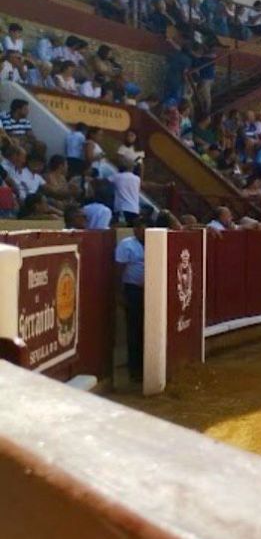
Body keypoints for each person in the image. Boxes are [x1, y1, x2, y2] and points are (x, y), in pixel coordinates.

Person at [114, 216, 146, 383]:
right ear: (134, 230)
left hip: (153, 291)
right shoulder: (126, 244)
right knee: (134, 329)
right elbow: (118, 270)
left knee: (147, 329)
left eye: (144, 228)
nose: (142, 231)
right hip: (133, 290)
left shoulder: (157, 241)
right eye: (139, 228)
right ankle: (135, 369)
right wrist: (119, 293)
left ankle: (145, 366)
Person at [111, 157, 142, 223]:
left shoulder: (117, 177)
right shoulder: (137, 179)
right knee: (131, 228)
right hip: (135, 210)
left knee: (122, 228)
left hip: (123, 208)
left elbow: (103, 182)